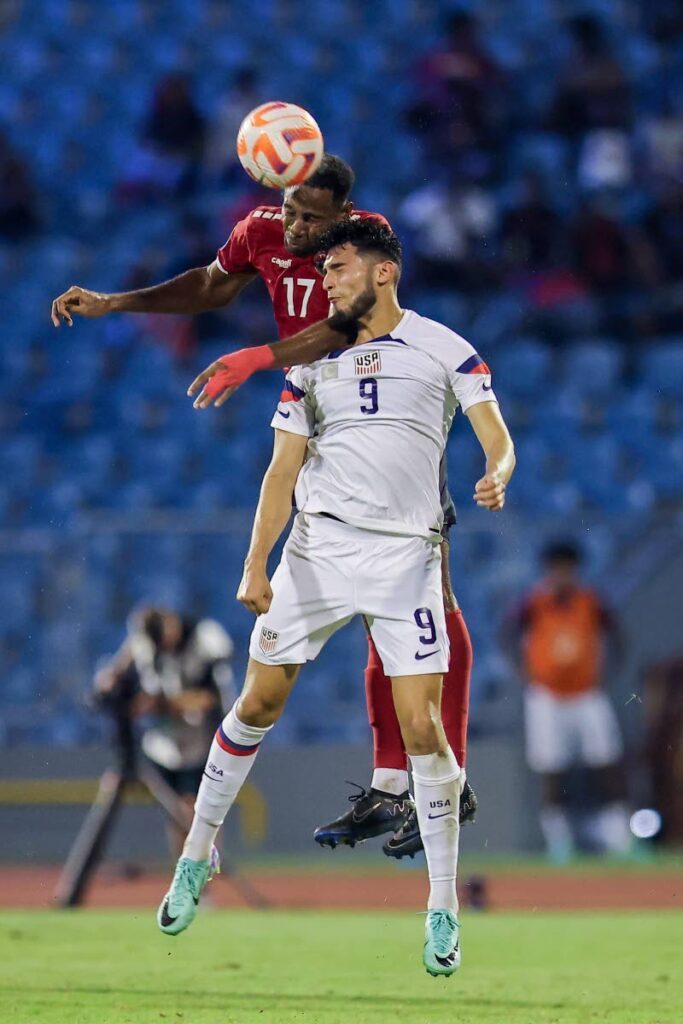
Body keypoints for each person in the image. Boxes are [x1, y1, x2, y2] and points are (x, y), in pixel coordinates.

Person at [50, 154, 478, 858]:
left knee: (422, 596)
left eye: (311, 216)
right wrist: (113, 301)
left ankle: (442, 778)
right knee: (377, 610)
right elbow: (211, 287)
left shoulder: (362, 243)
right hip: (318, 416)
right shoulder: (260, 232)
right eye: (288, 211)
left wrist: (257, 355)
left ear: (342, 213)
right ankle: (388, 782)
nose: (296, 226)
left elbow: (351, 326)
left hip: (382, 413)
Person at [156, 220, 515, 977]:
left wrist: (498, 470)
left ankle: (442, 908)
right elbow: (281, 472)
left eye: (339, 267)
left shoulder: (444, 347)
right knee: (254, 706)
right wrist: (256, 565)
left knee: (424, 732)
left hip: (404, 558)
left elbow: (495, 433)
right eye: (322, 271)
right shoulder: (307, 362)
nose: (325, 280)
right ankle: (196, 856)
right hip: (317, 551)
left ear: (383, 273)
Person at [504, 541, 630, 861]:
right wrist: (524, 671)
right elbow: (507, 634)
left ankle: (622, 838)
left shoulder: (590, 600)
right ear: (548, 570)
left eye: (567, 568)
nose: (562, 574)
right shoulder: (534, 602)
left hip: (587, 693)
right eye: (556, 568)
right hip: (546, 696)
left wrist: (607, 673)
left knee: (607, 761)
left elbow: (618, 637)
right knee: (550, 768)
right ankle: (559, 843)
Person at [94, 607, 234, 857]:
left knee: (195, 810)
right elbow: (118, 669)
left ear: (171, 623)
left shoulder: (206, 640)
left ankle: (203, 878)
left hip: (200, 741)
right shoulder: (144, 643)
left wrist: (160, 704)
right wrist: (110, 681)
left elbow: (214, 699)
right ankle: (184, 876)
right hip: (163, 742)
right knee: (175, 813)